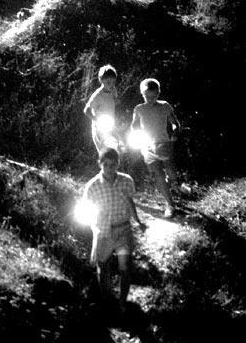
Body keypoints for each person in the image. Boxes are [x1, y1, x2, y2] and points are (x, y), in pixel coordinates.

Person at [83, 148, 147, 311]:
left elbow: (130, 202)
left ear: (118, 164)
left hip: (123, 229)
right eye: (106, 165)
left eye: (113, 165)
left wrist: (138, 221)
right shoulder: (92, 186)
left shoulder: (126, 181)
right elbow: (86, 210)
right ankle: (107, 300)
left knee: (124, 267)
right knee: (103, 266)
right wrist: (94, 227)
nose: (110, 168)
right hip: (103, 231)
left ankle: (122, 302)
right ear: (100, 164)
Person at [130, 78, 183, 218]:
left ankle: (175, 184)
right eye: (147, 97)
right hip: (147, 147)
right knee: (158, 175)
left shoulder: (165, 106)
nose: (151, 99)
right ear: (143, 94)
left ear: (158, 94)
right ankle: (170, 204)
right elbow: (134, 126)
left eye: (154, 96)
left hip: (164, 144)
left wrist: (175, 132)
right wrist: (136, 136)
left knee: (171, 173)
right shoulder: (139, 109)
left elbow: (175, 123)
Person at [84, 65, 126, 154]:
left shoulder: (113, 90)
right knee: (106, 153)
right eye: (108, 82)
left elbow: (114, 101)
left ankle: (114, 166)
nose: (111, 85)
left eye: (113, 82)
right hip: (100, 130)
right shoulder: (98, 95)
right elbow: (86, 110)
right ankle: (105, 166)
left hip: (111, 126)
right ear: (102, 80)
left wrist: (117, 102)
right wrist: (96, 120)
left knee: (117, 150)